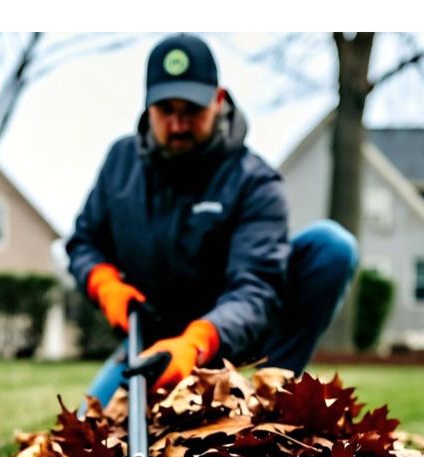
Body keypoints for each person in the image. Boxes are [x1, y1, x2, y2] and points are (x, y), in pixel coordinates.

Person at [69, 34, 359, 408]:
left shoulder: (254, 182)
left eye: (191, 110)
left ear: (218, 100)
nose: (178, 124)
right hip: (151, 344)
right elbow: (84, 242)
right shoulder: (120, 164)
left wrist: (198, 341)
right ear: (148, 107)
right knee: (87, 425)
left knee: (331, 247)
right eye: (165, 110)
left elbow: (256, 288)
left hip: (232, 342)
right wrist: (103, 283)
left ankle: (271, 399)